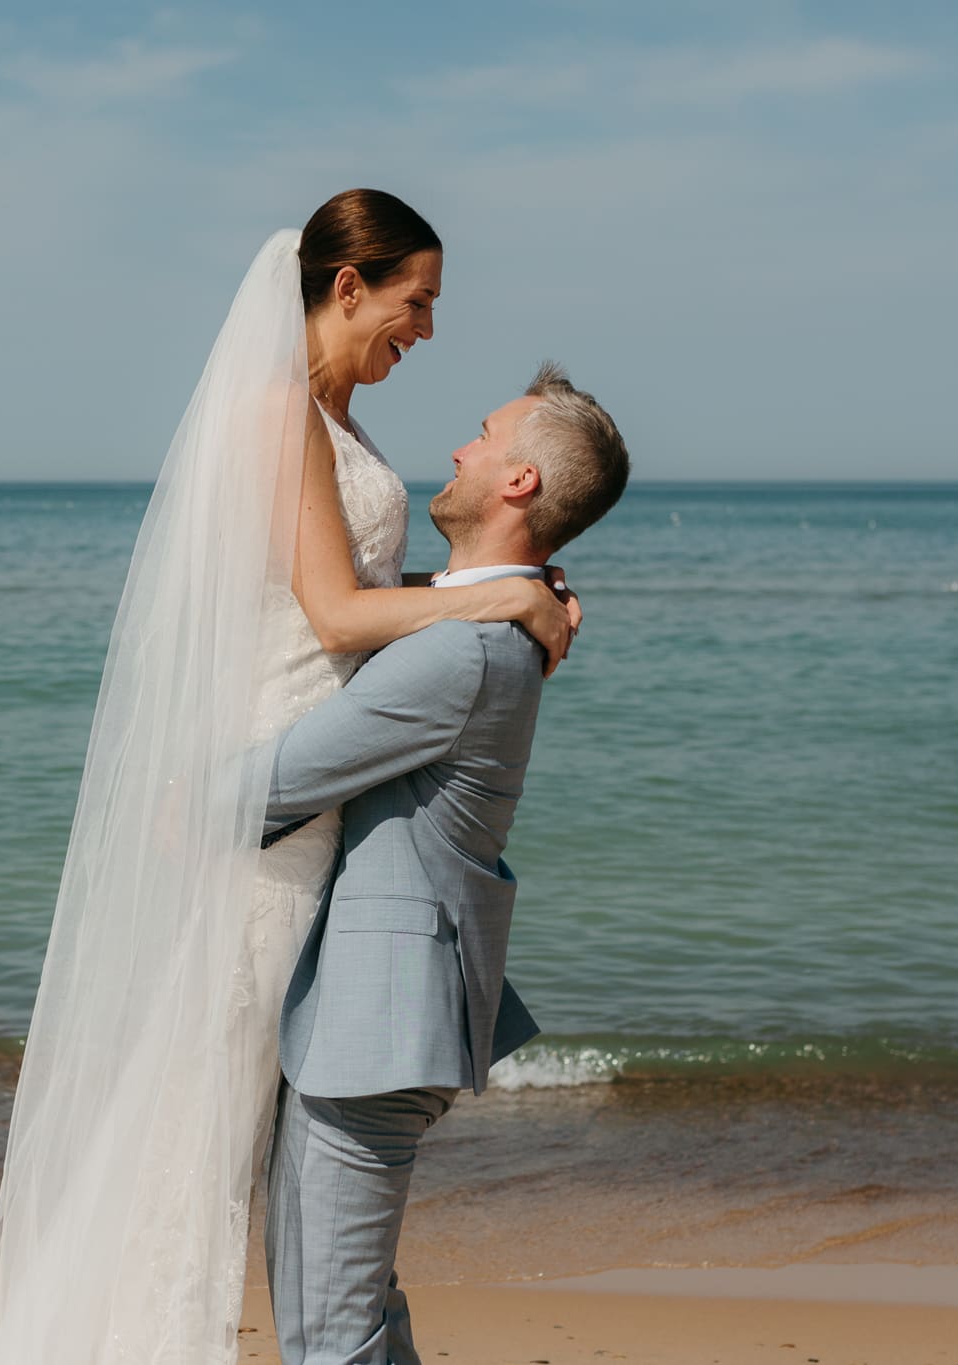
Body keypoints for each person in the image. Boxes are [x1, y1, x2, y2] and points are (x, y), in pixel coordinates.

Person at [0, 191, 577, 1364]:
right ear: (348, 286)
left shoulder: (340, 423)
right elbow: (337, 613)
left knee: (223, 1135)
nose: (428, 330)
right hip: (275, 816)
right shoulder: (278, 410)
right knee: (190, 1146)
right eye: (417, 301)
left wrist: (508, 593)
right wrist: (501, 593)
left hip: (314, 802)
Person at [259, 364, 631, 1364]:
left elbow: (258, 791)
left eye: (483, 434)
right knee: (350, 1319)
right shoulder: (486, 624)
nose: (461, 445)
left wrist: (160, 800)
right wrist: (515, 590)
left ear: (516, 483)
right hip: (382, 1013)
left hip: (375, 1023)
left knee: (331, 1334)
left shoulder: (462, 654)